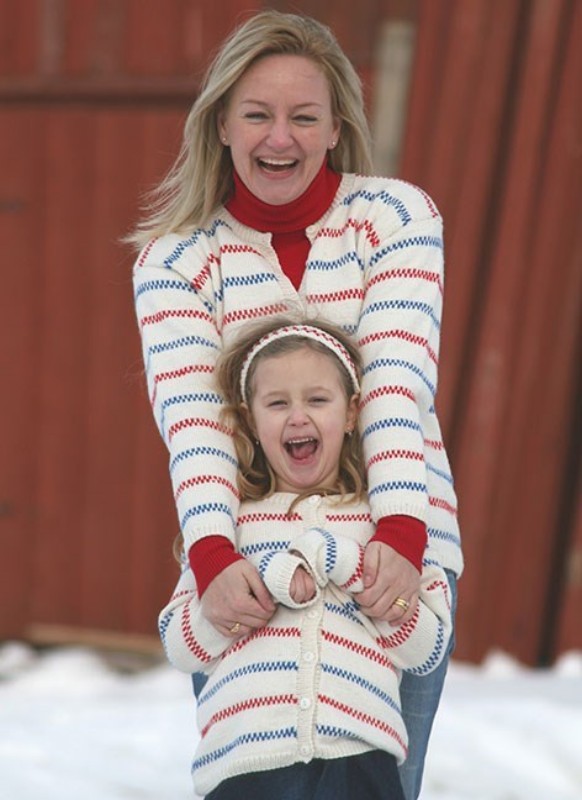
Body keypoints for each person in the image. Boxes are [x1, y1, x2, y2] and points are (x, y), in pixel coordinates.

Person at [130, 10, 463, 798]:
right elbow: (196, 425)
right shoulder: (176, 261)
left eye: (303, 116)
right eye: (257, 114)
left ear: (335, 128)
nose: (279, 138)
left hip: (399, 560)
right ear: (220, 125)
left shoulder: (394, 219)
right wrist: (213, 563)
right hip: (250, 570)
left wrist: (403, 546)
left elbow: (394, 385)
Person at [159, 317, 453, 799]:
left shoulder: (386, 530)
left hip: (358, 762)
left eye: (317, 400)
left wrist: (343, 563)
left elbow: (427, 649)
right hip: (245, 765)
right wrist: (255, 595)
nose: (298, 417)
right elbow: (180, 645)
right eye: (277, 403)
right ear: (251, 421)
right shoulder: (227, 533)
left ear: (353, 412)